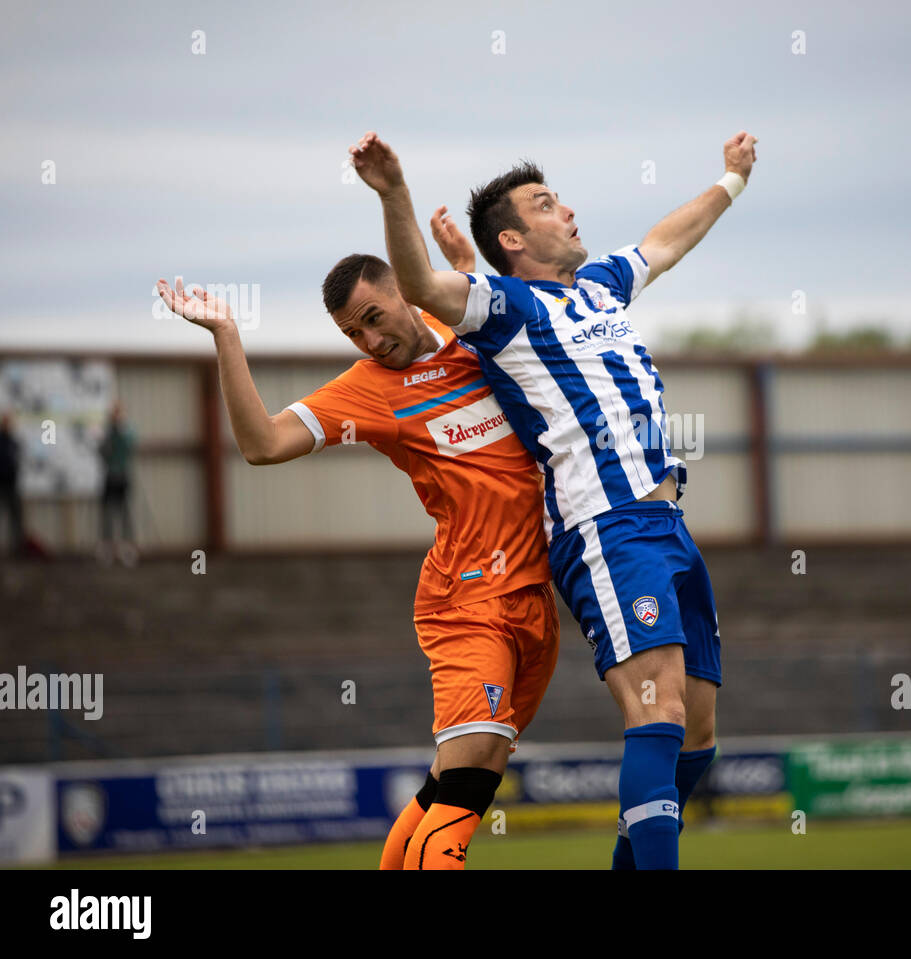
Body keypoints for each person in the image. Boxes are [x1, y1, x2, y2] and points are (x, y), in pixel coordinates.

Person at [349, 128, 758, 869]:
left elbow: (665, 241)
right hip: (605, 528)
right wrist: (394, 192)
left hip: (668, 525)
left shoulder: (600, 285)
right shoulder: (505, 308)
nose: (566, 209)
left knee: (698, 734)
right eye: (546, 203)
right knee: (656, 710)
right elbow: (421, 287)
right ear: (514, 237)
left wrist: (729, 182)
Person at [154, 246, 558, 871]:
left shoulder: (471, 336)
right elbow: (261, 445)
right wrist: (227, 336)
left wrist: (461, 255)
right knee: (474, 766)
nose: (369, 339)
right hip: (468, 602)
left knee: (464, 774)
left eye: (374, 316)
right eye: (352, 331)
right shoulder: (370, 390)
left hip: (537, 596)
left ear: (405, 292)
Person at [98, 404, 138, 566]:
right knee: (107, 514)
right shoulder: (107, 433)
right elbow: (102, 452)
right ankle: (107, 549)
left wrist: (120, 431)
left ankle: (126, 549)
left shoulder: (126, 432)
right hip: (110, 477)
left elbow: (130, 447)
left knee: (124, 514)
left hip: (122, 477)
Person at [0, 413, 24, 557]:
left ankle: (17, 547)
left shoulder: (12, 442)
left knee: (16, 516)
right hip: (3, 483)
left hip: (11, 484)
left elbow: (15, 461)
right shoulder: (5, 442)